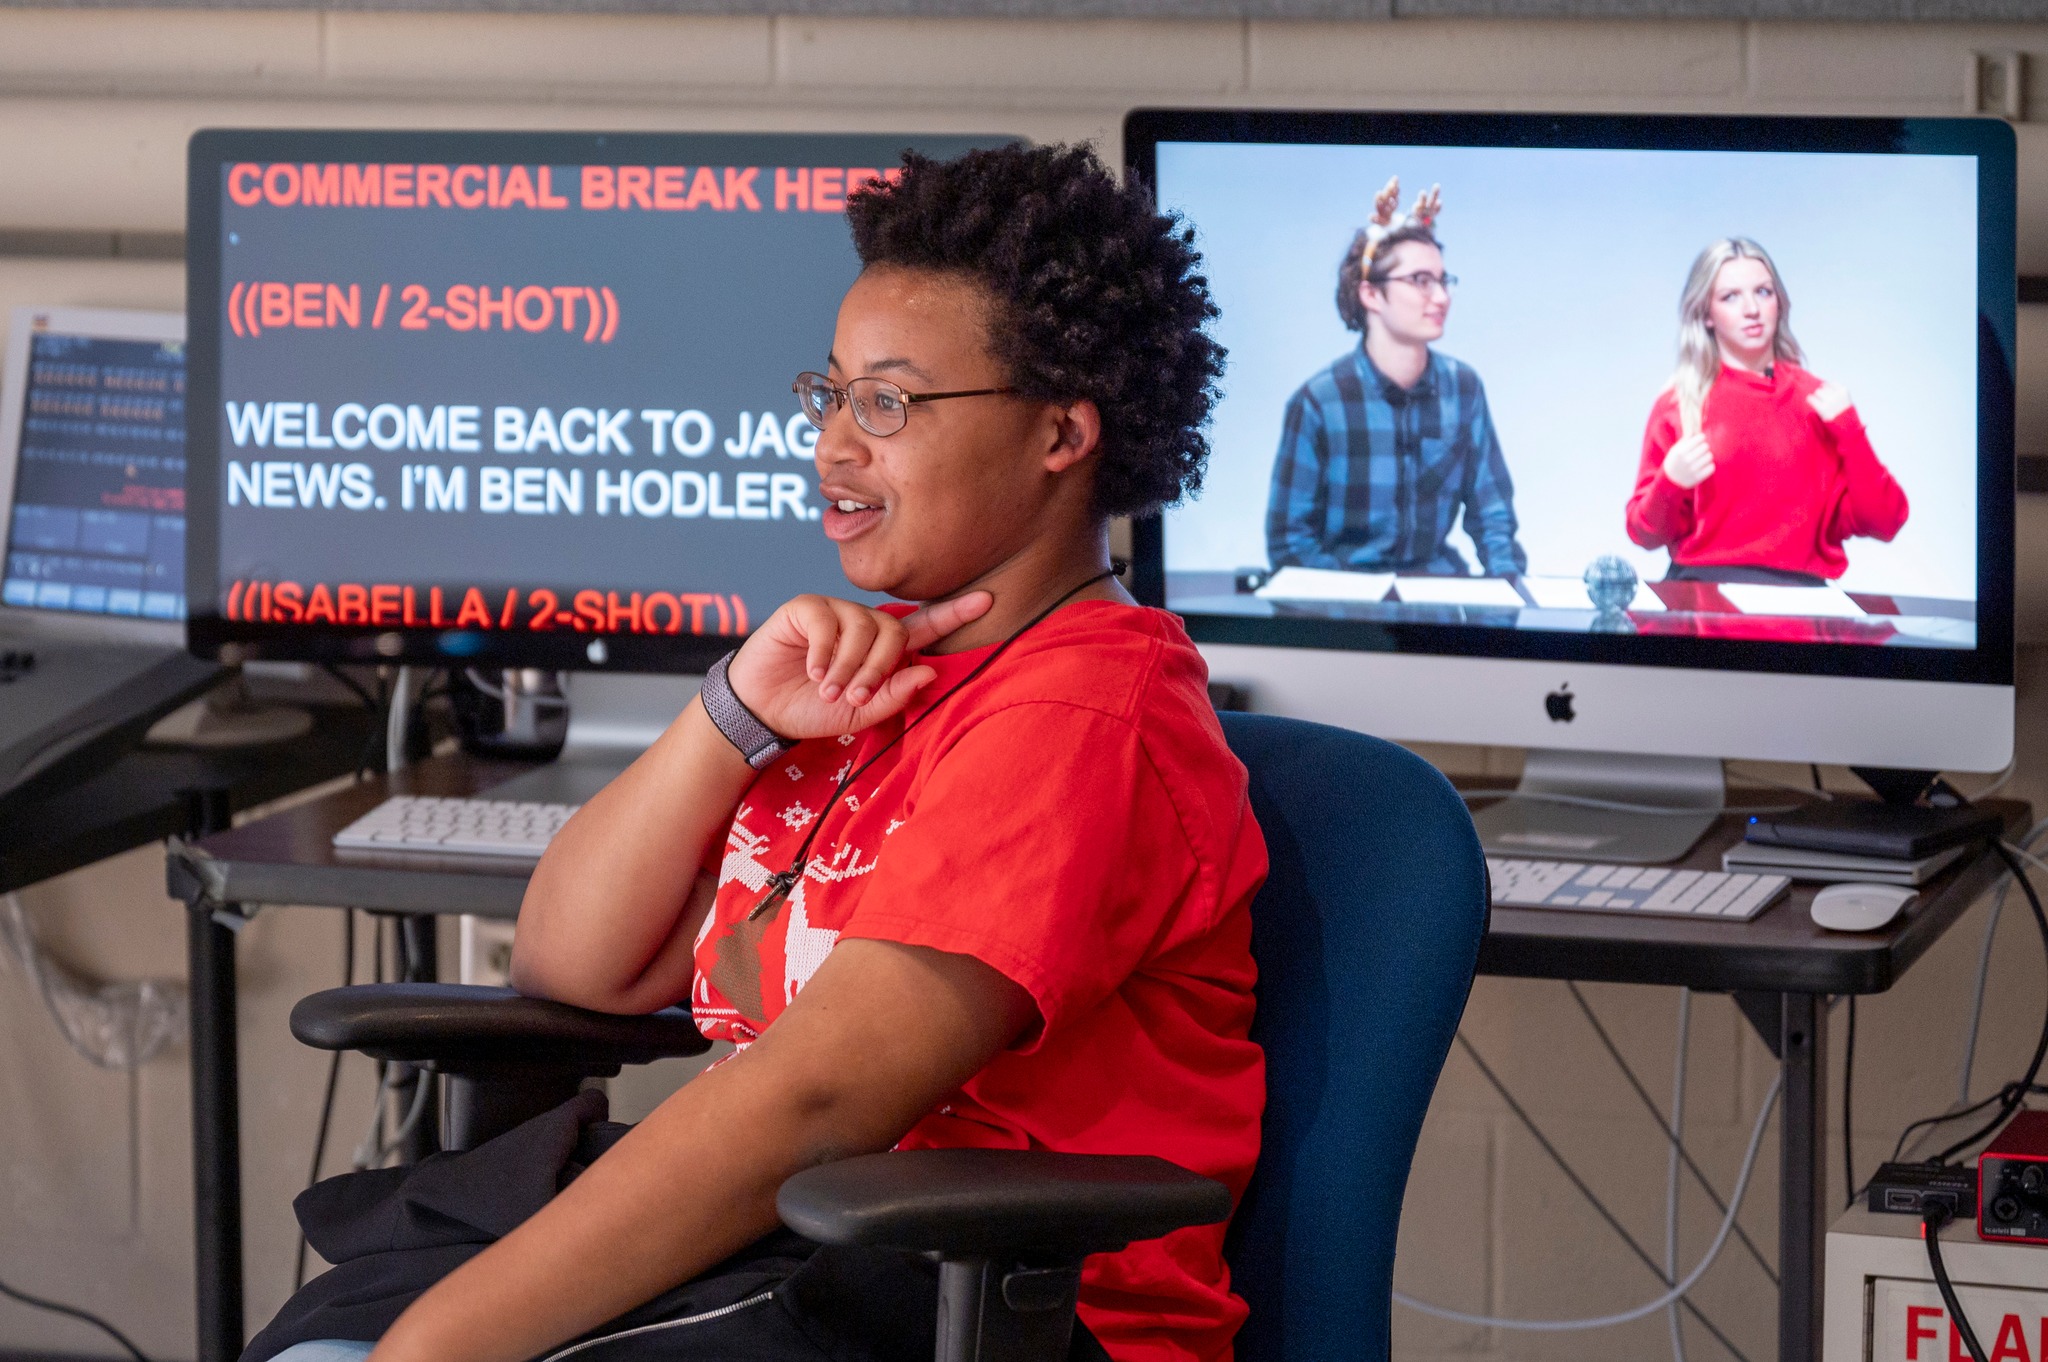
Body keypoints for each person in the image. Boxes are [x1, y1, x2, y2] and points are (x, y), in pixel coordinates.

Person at [267, 144, 1267, 1362]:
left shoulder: (1079, 718)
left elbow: (814, 1099)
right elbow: (574, 960)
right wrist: (731, 711)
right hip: (805, 1255)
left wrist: (436, 1353)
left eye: (888, 406)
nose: (833, 448)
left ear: (1061, 432)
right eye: (829, 394)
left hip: (989, 1307)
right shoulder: (877, 678)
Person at [1265, 177, 1526, 578]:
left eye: (1443, 280)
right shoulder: (1321, 401)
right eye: (1421, 281)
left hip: (1438, 596)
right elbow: (1289, 542)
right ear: (1371, 294)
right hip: (1346, 609)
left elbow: (1493, 519)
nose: (1441, 297)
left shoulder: (1463, 388)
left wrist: (1510, 601)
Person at [1625, 237, 1908, 585]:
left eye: (1763, 292)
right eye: (1730, 297)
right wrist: (1670, 482)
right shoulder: (1681, 404)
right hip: (1702, 603)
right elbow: (1644, 534)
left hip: (1800, 610)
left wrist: (1851, 432)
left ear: (1779, 302)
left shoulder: (1818, 401)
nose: (1752, 310)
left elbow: (1885, 521)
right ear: (1706, 314)